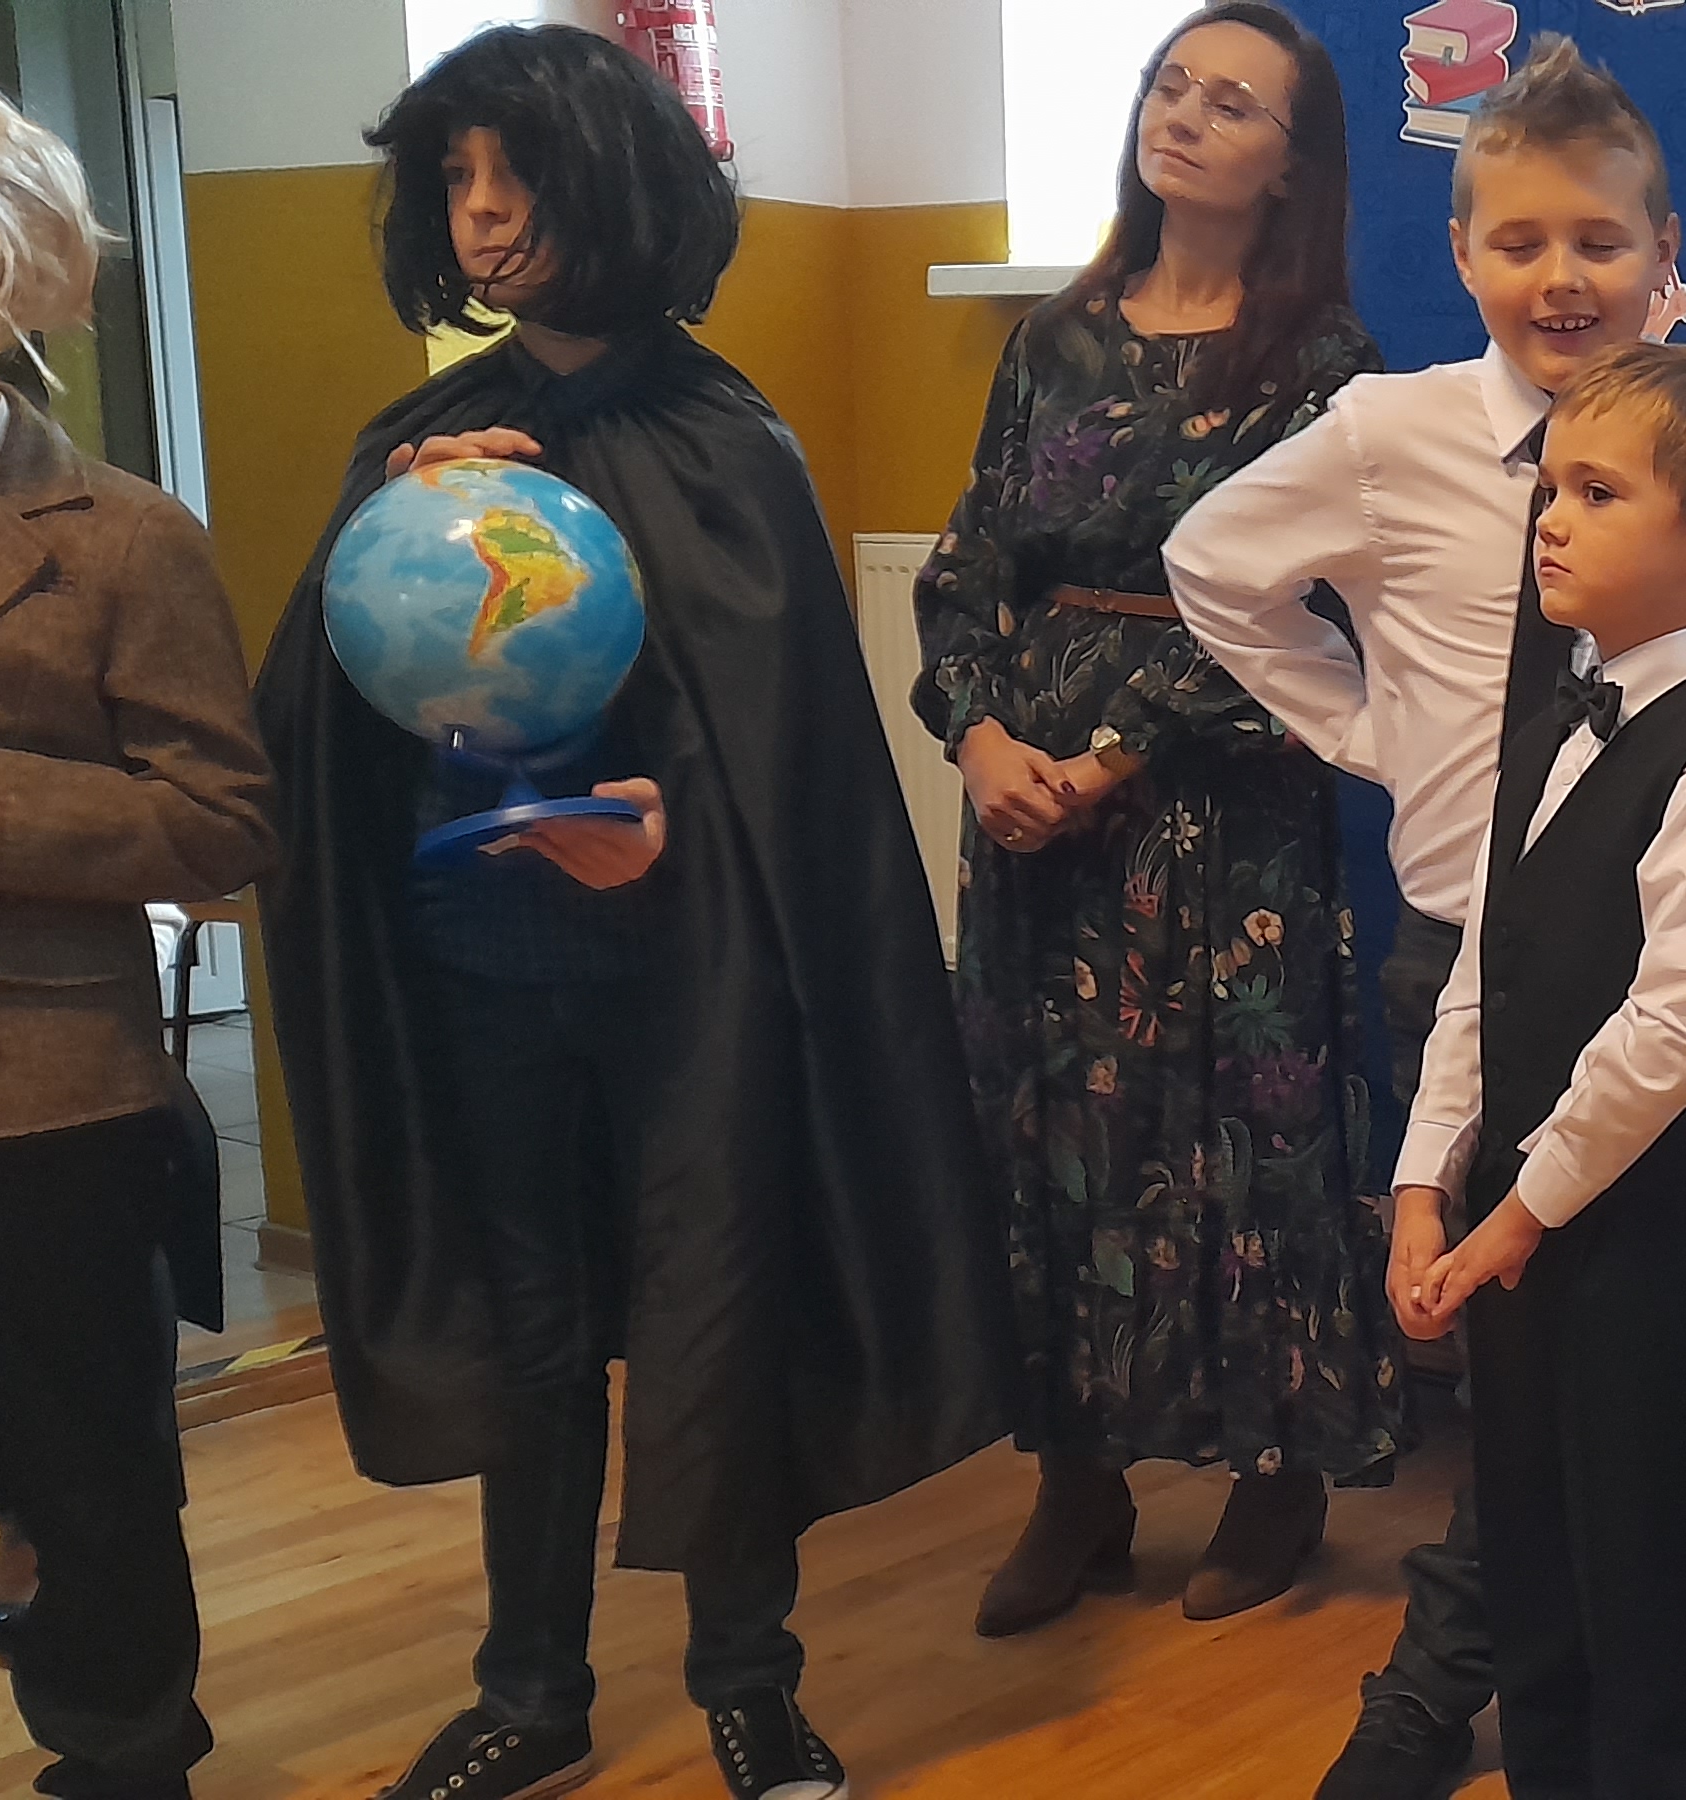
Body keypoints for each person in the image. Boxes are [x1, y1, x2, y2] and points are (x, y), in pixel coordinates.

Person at [251, 28, 1003, 1800]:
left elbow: (779, 753)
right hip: (483, 969)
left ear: (620, 187)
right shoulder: (422, 443)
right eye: (456, 178)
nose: (485, 213)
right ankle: (531, 1691)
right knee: (528, 1328)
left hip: (692, 977)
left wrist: (673, 828)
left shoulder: (726, 441)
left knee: (711, 1305)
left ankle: (750, 1678)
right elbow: (323, 725)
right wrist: (394, 538)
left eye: (519, 174)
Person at [1162, 35, 1686, 1797]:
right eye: (1520, 240)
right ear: (1463, 252)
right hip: (1467, 946)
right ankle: (1535, 1694)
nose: (1561, 277)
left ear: (1661, 252)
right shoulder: (1393, 436)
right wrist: (1372, 732)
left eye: (1599, 242)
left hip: (1653, 983)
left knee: (1625, 1422)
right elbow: (1212, 565)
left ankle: (1545, 1697)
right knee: (1523, 1411)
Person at [918, 0, 1402, 1643]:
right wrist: (982, 736)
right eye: (1170, 86)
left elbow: (1306, 610)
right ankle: (1078, 1483)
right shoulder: (1053, 337)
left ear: (1293, 165)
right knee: (1048, 1133)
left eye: (1232, 103)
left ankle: (1278, 1471)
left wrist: (1115, 752)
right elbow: (973, 561)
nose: (1184, 116)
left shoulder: (1329, 369)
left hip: (1221, 809)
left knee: (1242, 1142)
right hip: (1030, 810)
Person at [0, 42, 270, 1800]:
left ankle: (122, 1766)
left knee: (94, 1506)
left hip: (31, 1108)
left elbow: (222, 827)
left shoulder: (118, 539)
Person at [1390, 341, 1686, 1800]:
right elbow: (1485, 972)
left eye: (1597, 491)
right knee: (1532, 1549)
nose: (1552, 520)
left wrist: (1518, 1215)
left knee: (1649, 1570)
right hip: (1520, 1230)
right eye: (1550, 489)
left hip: (1645, 1240)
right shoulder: (1548, 731)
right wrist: (1425, 1184)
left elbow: (1674, 1032)